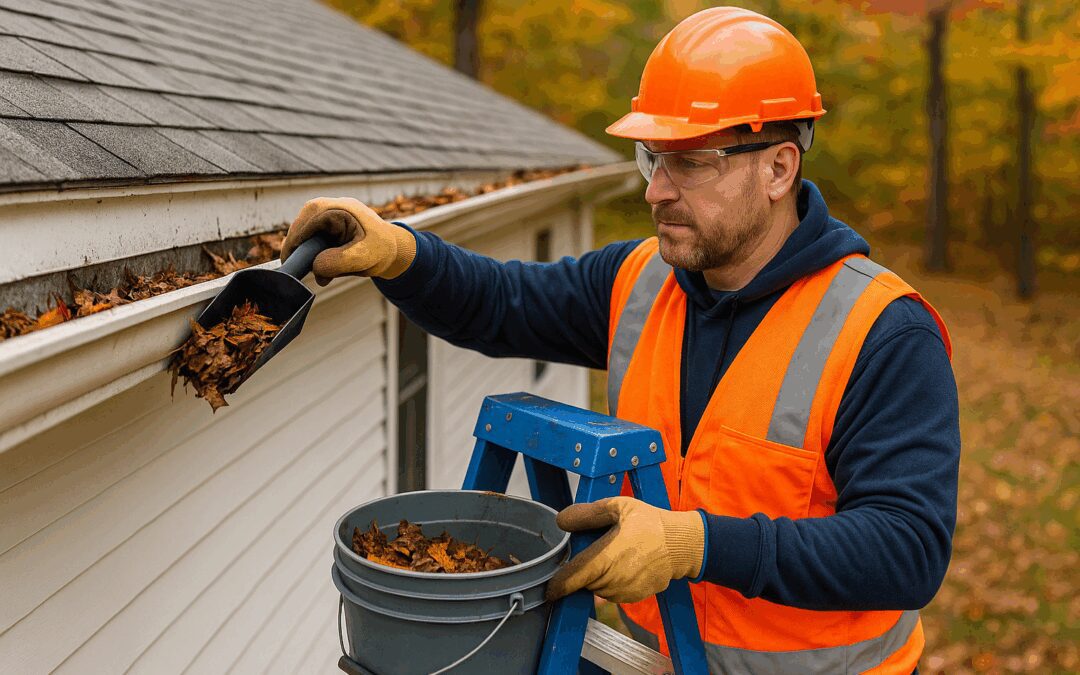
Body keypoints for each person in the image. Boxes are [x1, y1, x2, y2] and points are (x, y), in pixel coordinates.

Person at [282, 7, 959, 673]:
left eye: (690, 163)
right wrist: (400, 253)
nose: (656, 191)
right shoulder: (641, 281)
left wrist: (692, 543)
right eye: (652, 159)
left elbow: (907, 547)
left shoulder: (881, 331)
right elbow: (500, 303)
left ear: (779, 169)